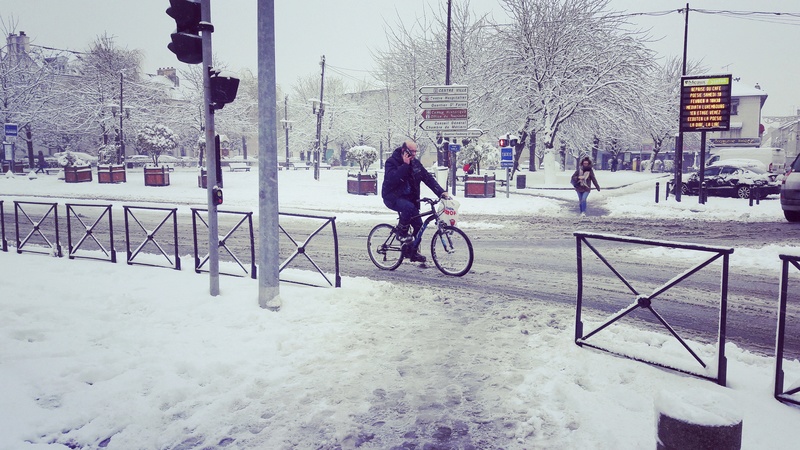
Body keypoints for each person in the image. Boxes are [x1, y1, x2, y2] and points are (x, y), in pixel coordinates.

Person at [382, 140, 450, 263]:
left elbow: (428, 178)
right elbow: (392, 179)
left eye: (415, 151)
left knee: (419, 226)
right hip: (392, 197)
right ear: (404, 150)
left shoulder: (416, 164)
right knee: (409, 208)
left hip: (410, 199)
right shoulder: (392, 162)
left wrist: (441, 192)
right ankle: (402, 233)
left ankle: (412, 252)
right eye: (411, 151)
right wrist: (405, 165)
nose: (413, 154)